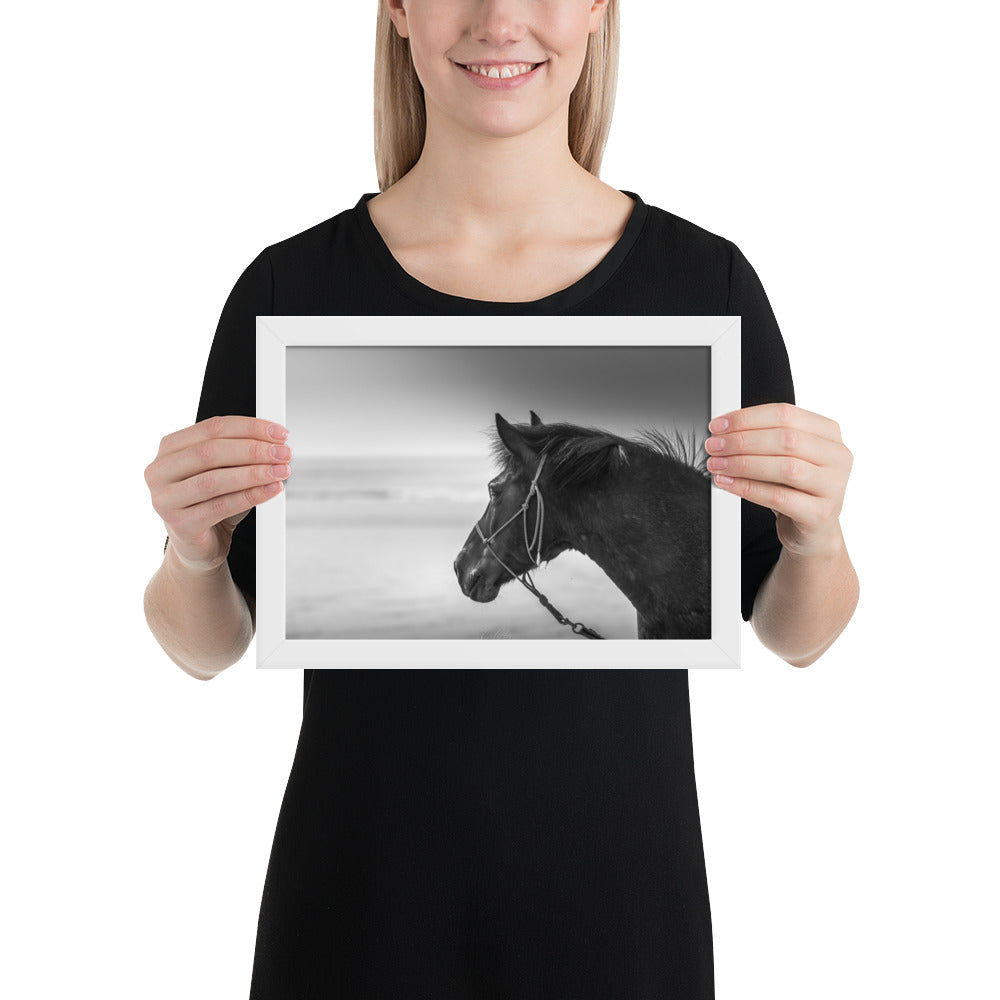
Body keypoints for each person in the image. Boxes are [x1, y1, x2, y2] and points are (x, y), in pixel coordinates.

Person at [143, 1, 859, 996]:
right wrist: (192, 551)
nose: (500, 17)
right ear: (397, 9)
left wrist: (816, 535)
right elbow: (206, 643)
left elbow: (795, 631)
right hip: (361, 915)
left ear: (601, 8)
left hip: (620, 916)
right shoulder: (289, 289)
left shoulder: (705, 283)